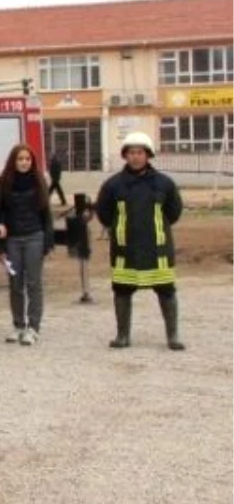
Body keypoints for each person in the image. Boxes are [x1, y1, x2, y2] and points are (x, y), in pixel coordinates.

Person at [95, 132, 185, 351]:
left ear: (148, 155)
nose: (135, 157)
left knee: (166, 290)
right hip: (126, 249)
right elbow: (104, 213)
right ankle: (122, 335)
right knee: (122, 290)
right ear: (125, 156)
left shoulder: (164, 183)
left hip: (158, 249)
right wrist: (120, 230)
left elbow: (174, 211)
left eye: (140, 152)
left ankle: (172, 336)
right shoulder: (113, 185)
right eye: (131, 153)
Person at [0, 144, 55, 346]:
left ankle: (33, 328)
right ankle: (18, 325)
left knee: (34, 284)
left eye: (27, 159)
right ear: (13, 161)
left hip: (34, 237)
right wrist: (0, 241)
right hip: (12, 239)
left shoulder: (39, 182)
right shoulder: (2, 183)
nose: (24, 162)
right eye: (20, 159)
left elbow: (46, 214)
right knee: (15, 284)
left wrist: (48, 242)